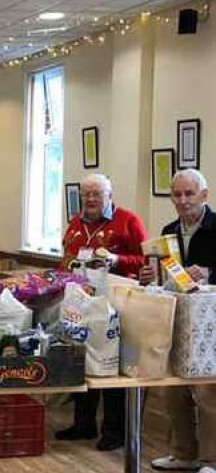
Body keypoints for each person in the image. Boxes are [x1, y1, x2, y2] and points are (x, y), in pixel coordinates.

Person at [55, 173, 148, 451]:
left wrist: (117, 259)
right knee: (84, 362)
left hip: (116, 305)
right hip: (81, 304)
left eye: (97, 193)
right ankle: (83, 424)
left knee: (111, 367)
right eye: (86, 194)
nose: (91, 199)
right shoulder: (75, 223)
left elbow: (145, 260)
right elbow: (66, 258)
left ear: (110, 194)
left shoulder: (128, 221)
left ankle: (115, 431)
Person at [141, 169, 216, 472]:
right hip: (178, 318)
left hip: (210, 325)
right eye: (177, 194)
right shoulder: (169, 230)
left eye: (189, 193)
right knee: (173, 387)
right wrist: (149, 276)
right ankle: (184, 453)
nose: (183, 200)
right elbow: (168, 276)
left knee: (208, 392)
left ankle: (211, 462)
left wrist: (210, 273)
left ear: (204, 195)